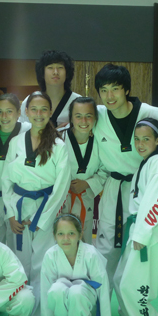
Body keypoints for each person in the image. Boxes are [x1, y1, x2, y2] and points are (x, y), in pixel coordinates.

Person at [2, 91, 71, 316]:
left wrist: (43, 220)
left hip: (45, 208)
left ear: (50, 112)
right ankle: (19, 315)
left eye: (44, 109)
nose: (39, 114)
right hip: (19, 207)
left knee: (42, 266)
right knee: (20, 265)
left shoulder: (59, 146)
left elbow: (61, 186)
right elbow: (5, 179)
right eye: (34, 109)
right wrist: (11, 214)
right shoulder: (16, 142)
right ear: (26, 112)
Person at [93, 64, 158, 306]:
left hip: (143, 188)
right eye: (104, 90)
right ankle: (100, 308)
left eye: (115, 89)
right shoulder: (98, 116)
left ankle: (131, 309)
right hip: (113, 187)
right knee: (106, 250)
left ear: (127, 90)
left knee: (137, 251)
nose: (109, 96)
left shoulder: (150, 113)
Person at [114, 118, 158, 316]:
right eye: (137, 139)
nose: (140, 144)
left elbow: (156, 198)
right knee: (120, 279)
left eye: (146, 139)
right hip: (140, 227)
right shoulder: (147, 161)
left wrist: (142, 234)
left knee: (135, 285)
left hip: (151, 229)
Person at [41, 214, 115, 316]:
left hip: (86, 295)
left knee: (76, 292)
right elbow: (45, 291)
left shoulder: (91, 253)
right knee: (55, 291)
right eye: (61, 234)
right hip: (64, 294)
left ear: (80, 235)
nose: (66, 238)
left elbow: (103, 290)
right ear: (54, 236)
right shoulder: (50, 255)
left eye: (71, 233)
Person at [0, 93, 31, 246]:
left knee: (17, 247)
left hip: (17, 199)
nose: (4, 116)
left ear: (18, 112)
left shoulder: (28, 131)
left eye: (9, 111)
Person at [61, 97, 107, 244]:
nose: (84, 121)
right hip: (62, 199)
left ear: (95, 118)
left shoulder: (102, 140)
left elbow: (106, 169)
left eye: (88, 116)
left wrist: (87, 183)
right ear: (71, 118)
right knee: (62, 240)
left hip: (86, 198)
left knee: (85, 242)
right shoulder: (59, 137)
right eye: (78, 116)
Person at [20, 50, 80, 128]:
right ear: (42, 73)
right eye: (50, 67)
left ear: (67, 73)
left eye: (60, 67)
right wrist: (56, 132)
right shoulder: (30, 100)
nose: (55, 72)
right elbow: (23, 130)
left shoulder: (78, 101)